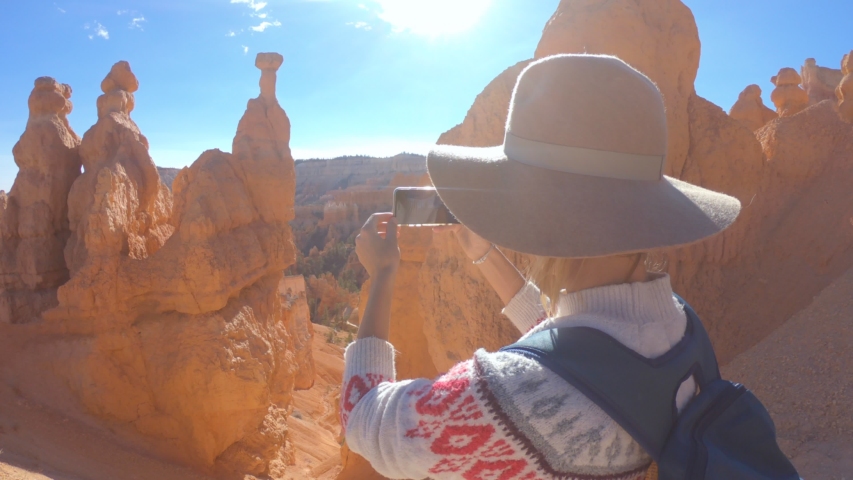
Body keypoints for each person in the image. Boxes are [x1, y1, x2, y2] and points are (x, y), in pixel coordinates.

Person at [342, 54, 741, 480]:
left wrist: (383, 275)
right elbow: (576, 347)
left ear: (543, 212)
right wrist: (483, 252)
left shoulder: (514, 399)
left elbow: (363, 416)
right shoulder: (678, 325)